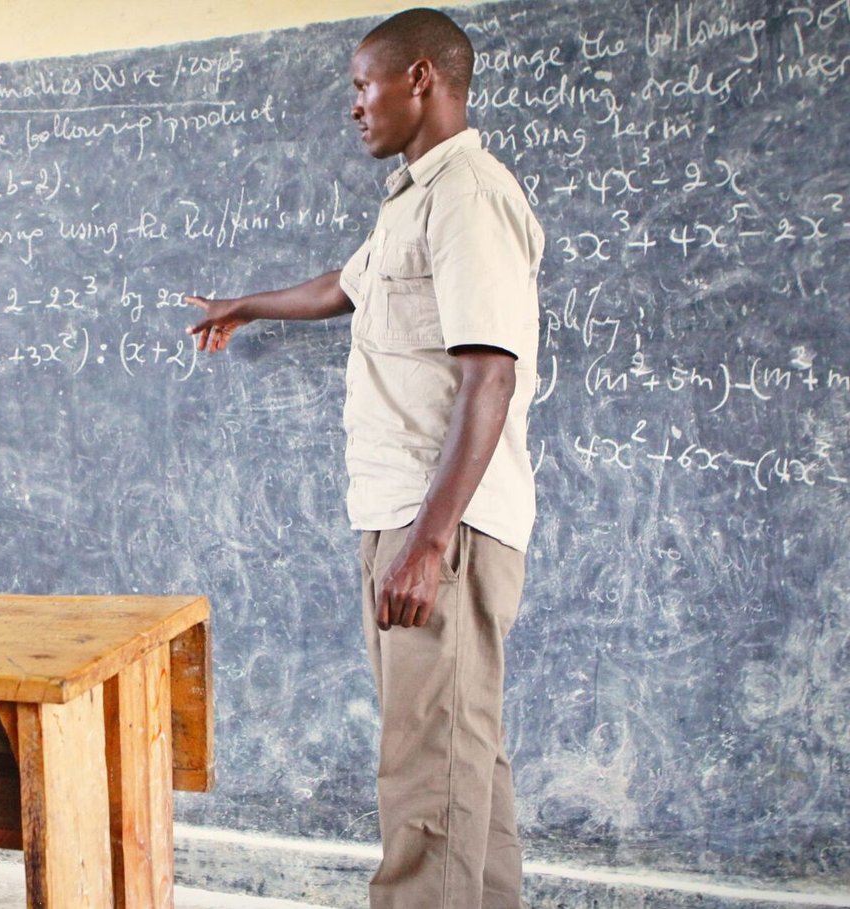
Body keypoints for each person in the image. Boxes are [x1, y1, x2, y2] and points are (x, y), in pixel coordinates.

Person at [186, 8, 543, 908]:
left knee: (429, 779)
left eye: (362, 85)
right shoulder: (415, 201)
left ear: (419, 78)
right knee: (461, 771)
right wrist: (247, 305)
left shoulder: (468, 195)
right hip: (410, 519)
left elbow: (490, 377)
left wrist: (427, 543)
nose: (354, 106)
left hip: (440, 528)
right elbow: (341, 287)